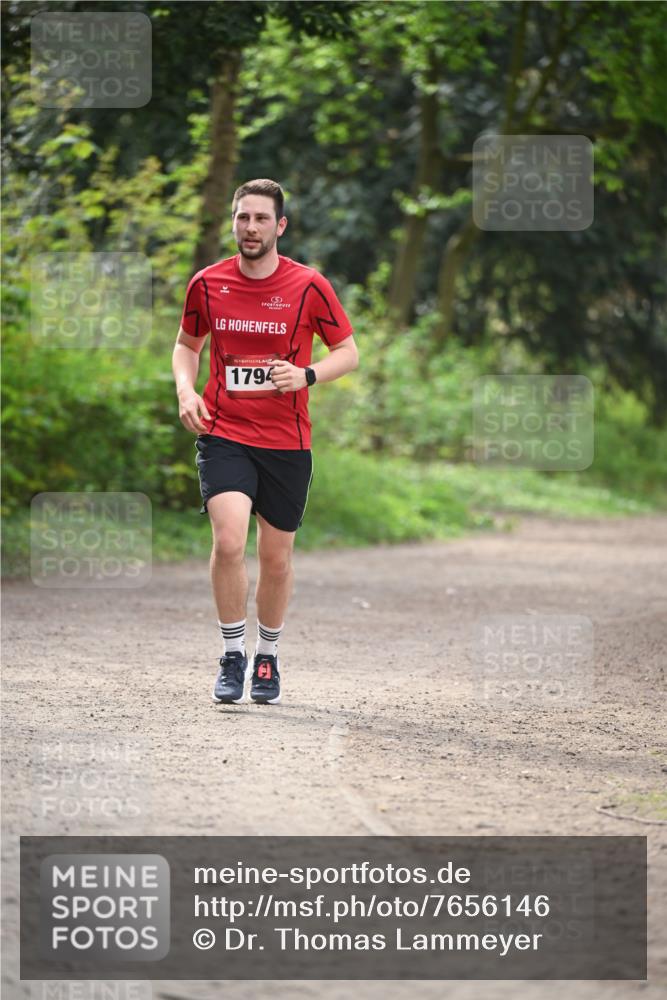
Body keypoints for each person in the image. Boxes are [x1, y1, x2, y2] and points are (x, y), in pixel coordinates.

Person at [172, 178, 358, 705]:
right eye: (242, 217)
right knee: (229, 540)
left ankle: (268, 657)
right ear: (232, 222)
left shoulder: (309, 286)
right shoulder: (207, 284)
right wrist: (186, 391)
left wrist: (308, 376)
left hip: (286, 439)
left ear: (280, 226)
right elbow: (187, 345)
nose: (249, 227)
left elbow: (347, 351)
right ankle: (233, 654)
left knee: (275, 560)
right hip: (224, 431)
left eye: (260, 219)